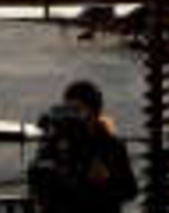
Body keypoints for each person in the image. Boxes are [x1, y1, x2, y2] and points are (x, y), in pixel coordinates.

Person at [27, 79, 138, 212]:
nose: (71, 115)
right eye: (68, 109)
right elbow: (38, 180)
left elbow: (130, 190)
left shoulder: (111, 146)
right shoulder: (56, 142)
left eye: (77, 109)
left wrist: (106, 180)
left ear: (94, 112)